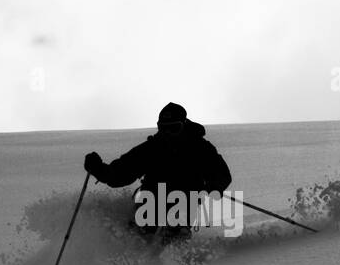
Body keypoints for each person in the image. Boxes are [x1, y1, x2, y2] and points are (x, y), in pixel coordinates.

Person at [84, 102, 231, 238]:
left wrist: (214, 186)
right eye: (163, 128)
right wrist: (98, 169)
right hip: (151, 201)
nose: (168, 133)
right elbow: (120, 173)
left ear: (184, 125)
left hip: (184, 202)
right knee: (139, 233)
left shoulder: (200, 148)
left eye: (174, 128)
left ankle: (175, 250)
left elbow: (222, 174)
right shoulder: (152, 148)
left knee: (175, 228)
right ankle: (131, 248)